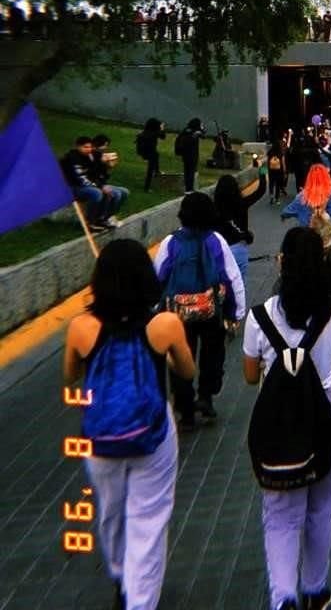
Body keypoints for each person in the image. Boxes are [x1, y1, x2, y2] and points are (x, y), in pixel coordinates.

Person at [63, 239, 195, 610]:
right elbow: (188, 371)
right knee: (149, 519)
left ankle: (121, 576)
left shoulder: (80, 327)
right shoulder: (164, 324)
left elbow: (71, 376)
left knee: (110, 510)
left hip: (100, 437)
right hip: (153, 435)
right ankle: (140, 600)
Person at [242, 227, 331, 610]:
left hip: (278, 430)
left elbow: (250, 375)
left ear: (281, 263)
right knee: (323, 507)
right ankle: (315, 588)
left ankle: (283, 596)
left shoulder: (260, 318)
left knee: (280, 514)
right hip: (328, 420)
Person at [154, 192, 246, 431]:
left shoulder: (170, 242)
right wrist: (235, 312)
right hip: (210, 311)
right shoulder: (215, 240)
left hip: (178, 316)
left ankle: (184, 408)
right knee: (212, 354)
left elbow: (159, 278)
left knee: (180, 358)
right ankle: (206, 397)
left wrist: (155, 312)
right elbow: (230, 276)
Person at [214, 168, 266, 280]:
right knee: (240, 283)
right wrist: (262, 170)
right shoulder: (242, 203)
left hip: (220, 250)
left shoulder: (214, 209)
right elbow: (260, 191)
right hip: (239, 248)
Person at [138, 118, 166, 191]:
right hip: (150, 153)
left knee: (157, 154)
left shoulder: (145, 132)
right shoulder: (154, 133)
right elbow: (163, 137)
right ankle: (146, 188)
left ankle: (157, 171)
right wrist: (162, 128)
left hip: (145, 152)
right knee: (150, 170)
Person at [176, 118, 203, 193]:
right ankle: (189, 189)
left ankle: (188, 188)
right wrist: (200, 130)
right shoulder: (195, 132)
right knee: (191, 172)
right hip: (192, 155)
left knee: (187, 171)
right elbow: (203, 135)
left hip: (185, 154)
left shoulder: (186, 130)